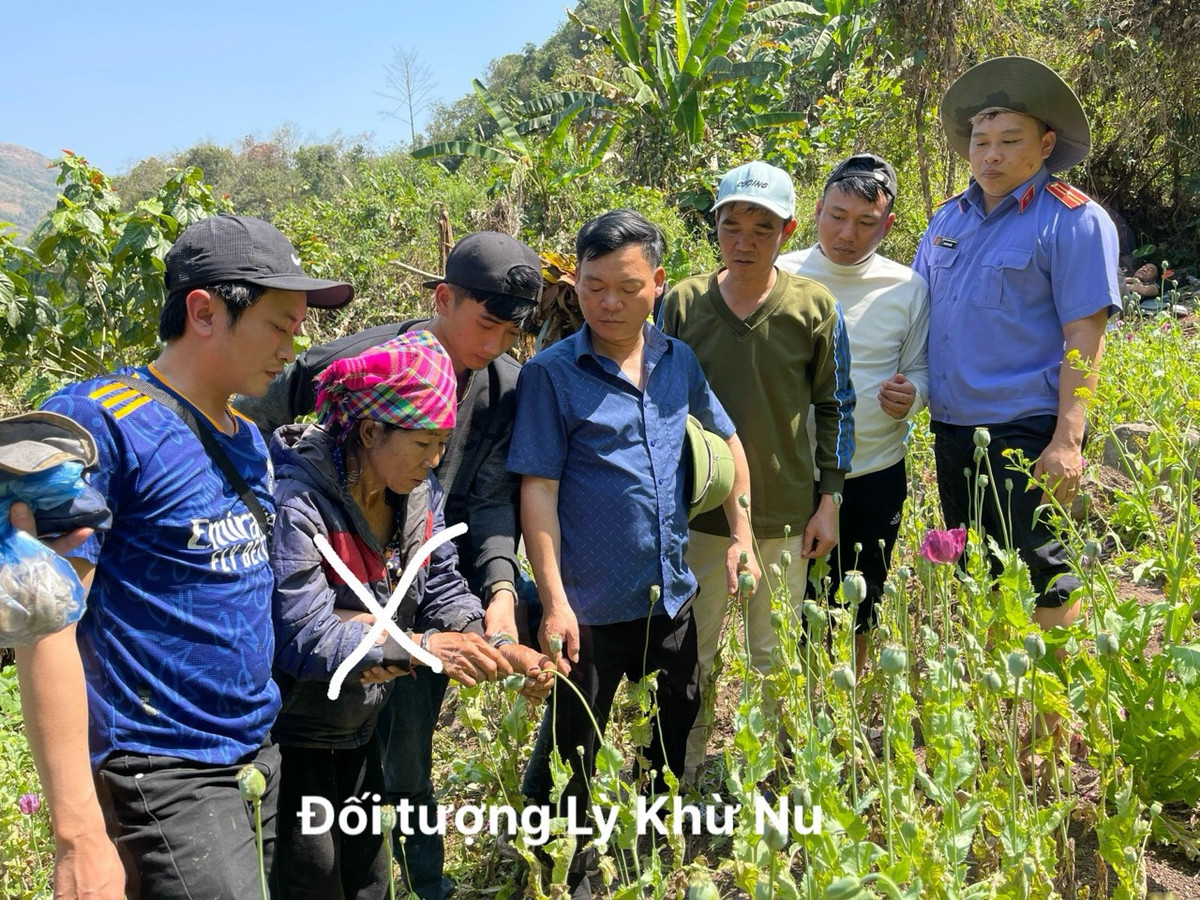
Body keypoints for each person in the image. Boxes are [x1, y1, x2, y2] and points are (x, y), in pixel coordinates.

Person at [22, 213, 354, 899]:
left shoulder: (249, 438)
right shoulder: (103, 424)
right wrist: (80, 835)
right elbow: (44, 621)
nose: (294, 347)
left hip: (253, 754)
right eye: (279, 324)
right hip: (159, 766)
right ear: (204, 312)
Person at [237, 230, 543, 899]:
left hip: (371, 692)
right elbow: (306, 628)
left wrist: (489, 628)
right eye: (485, 326)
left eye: (443, 445)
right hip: (301, 723)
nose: (492, 348)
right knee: (312, 871)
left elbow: (446, 565)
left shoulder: (425, 481)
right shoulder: (302, 495)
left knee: (384, 809)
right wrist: (425, 645)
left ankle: (424, 883)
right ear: (370, 429)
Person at [509, 209, 756, 897]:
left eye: (625, 286)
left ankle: (653, 844)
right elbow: (538, 493)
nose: (608, 303)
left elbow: (726, 440)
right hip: (587, 610)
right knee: (574, 751)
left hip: (670, 595)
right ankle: (568, 872)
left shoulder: (679, 361)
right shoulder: (554, 374)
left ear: (659, 284)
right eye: (592, 287)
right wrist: (553, 601)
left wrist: (741, 531)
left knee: (674, 725)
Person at [911, 58, 1120, 667]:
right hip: (952, 428)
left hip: (1027, 429)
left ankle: (1055, 716)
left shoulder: (1074, 219)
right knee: (975, 566)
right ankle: (1001, 700)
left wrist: (1069, 438)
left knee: (1044, 567)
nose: (991, 156)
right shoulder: (948, 219)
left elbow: (1086, 334)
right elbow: (920, 315)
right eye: (980, 142)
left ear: (1045, 144)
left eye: (1009, 141)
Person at [657, 161, 856, 778]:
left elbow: (835, 407)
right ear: (713, 227)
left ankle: (758, 777)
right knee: (695, 653)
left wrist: (829, 500)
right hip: (701, 519)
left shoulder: (813, 307)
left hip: (785, 513)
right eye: (732, 225)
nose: (744, 241)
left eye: (762, 228)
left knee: (772, 653)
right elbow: (655, 407)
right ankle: (680, 773)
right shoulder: (682, 305)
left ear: (789, 231)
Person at [778, 153, 930, 673]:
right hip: (796, 474)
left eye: (867, 223)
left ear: (887, 225)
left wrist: (915, 393)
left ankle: (851, 703)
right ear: (817, 210)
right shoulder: (781, 273)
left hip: (875, 470)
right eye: (837, 216)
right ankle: (797, 714)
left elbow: (921, 367)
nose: (849, 233)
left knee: (863, 598)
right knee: (795, 606)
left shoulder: (907, 287)